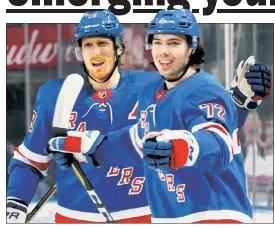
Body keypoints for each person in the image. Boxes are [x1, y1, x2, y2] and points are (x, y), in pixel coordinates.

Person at [7, 10, 271, 223]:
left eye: (103, 44)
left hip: (157, 216)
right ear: (79, 51)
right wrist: (15, 205)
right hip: (81, 217)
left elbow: (213, 130)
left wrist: (238, 104)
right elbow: (31, 160)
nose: (96, 52)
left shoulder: (161, 86)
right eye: (88, 45)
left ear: (119, 49)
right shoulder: (58, 93)